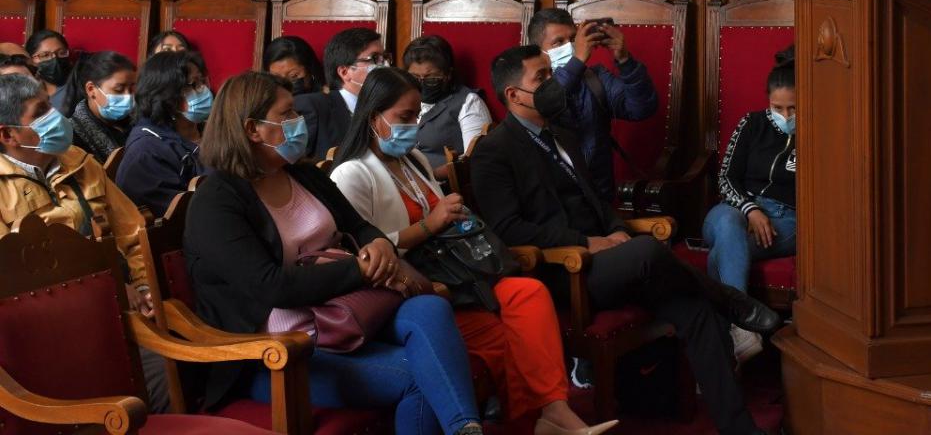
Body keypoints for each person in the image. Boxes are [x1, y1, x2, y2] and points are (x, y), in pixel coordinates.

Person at [472, 46, 779, 435]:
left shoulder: (562, 134)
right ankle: (732, 301)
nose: (553, 83)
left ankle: (740, 429)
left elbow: (598, 200)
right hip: (563, 270)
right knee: (649, 250)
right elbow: (508, 229)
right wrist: (586, 242)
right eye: (542, 78)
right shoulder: (494, 151)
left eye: (551, 72)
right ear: (514, 94)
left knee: (694, 308)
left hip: (612, 260)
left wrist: (616, 228)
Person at [184, 71, 484, 435]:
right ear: (252, 129)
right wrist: (360, 270)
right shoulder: (217, 201)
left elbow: (359, 226)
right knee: (418, 377)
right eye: (287, 114)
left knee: (430, 308)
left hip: (340, 313)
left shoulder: (302, 175)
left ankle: (467, 428)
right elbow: (271, 287)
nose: (299, 122)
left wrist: (377, 243)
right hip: (276, 352)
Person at [330, 67, 613, 435]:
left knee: (528, 293)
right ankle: (530, 424)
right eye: (404, 117)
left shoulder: (412, 159)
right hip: (416, 291)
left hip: (458, 273)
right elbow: (366, 255)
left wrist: (450, 215)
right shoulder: (352, 174)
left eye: (416, 116)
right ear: (373, 118)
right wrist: (430, 224)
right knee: (502, 335)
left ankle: (556, 413)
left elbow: (440, 220)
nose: (413, 125)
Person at [0, 73, 169, 412]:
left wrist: (144, 287)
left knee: (177, 372)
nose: (55, 117)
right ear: (7, 135)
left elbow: (133, 234)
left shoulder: (79, 161)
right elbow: (16, 283)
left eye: (50, 106)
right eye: (40, 113)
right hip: (53, 331)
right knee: (154, 383)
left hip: (124, 311)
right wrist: (109, 290)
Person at [702, 48, 797, 364]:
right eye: (777, 108)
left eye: (793, 108)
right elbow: (726, 178)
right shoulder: (752, 123)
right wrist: (750, 209)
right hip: (734, 210)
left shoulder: (818, 131)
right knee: (729, 226)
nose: (785, 116)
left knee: (720, 253)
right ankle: (742, 323)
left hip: (786, 221)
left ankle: (728, 342)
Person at [526, 9, 657, 202]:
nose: (570, 47)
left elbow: (642, 109)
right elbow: (547, 102)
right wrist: (577, 61)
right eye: (558, 42)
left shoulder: (596, 78)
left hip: (598, 197)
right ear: (538, 51)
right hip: (551, 201)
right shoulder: (528, 87)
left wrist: (624, 60)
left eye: (573, 39)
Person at [117, 50, 209, 218]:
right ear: (167, 94)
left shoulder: (211, 130)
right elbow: (182, 217)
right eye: (194, 84)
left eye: (203, 82)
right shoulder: (146, 153)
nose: (204, 90)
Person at [402, 35, 491, 175]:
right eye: (414, 77)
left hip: (444, 183)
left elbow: (474, 161)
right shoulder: (401, 99)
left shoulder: (469, 102)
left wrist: (432, 176)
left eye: (431, 78)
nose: (421, 83)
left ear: (448, 74)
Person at [294, 28, 389, 161]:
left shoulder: (389, 107)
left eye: (385, 58)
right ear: (344, 72)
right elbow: (296, 164)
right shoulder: (312, 106)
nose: (386, 65)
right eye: (375, 58)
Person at [63, 50, 137, 162]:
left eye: (131, 89)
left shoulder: (140, 122)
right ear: (91, 89)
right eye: (119, 89)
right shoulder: (71, 136)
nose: (128, 96)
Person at [25, 29, 72, 112]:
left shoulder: (78, 86)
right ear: (32, 60)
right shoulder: (27, 90)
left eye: (61, 52)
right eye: (45, 55)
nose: (54, 59)